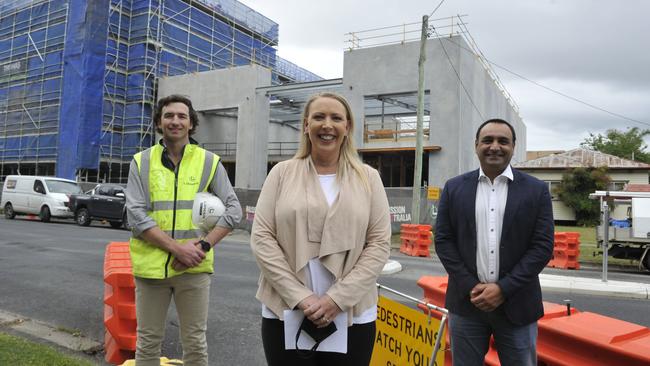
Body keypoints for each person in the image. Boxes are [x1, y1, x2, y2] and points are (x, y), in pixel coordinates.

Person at [250, 92, 391, 365]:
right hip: (285, 309)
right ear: (305, 125)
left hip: (352, 313)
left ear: (347, 127)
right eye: (318, 117)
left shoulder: (369, 179)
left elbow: (378, 244)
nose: (327, 125)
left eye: (336, 118)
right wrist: (300, 297)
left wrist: (336, 299)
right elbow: (263, 237)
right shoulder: (281, 173)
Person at [125, 94, 242, 366]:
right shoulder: (141, 162)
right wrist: (177, 249)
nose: (175, 121)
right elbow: (136, 215)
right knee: (147, 344)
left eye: (181, 116)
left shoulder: (209, 162)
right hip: (151, 270)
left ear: (191, 124)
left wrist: (202, 247)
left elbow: (234, 210)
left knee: (195, 344)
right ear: (158, 123)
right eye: (168, 116)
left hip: (195, 269)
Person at [435, 118, 554, 366]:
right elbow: (444, 241)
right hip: (467, 304)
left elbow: (542, 246)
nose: (495, 146)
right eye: (488, 140)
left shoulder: (536, 190)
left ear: (513, 146)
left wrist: (503, 289)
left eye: (503, 141)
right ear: (476, 145)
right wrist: (471, 286)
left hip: (518, 306)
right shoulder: (454, 188)